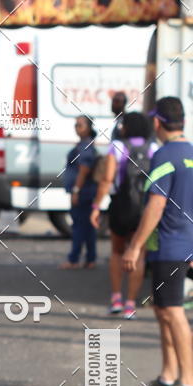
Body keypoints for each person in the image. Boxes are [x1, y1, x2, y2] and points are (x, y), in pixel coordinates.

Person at [123, 96, 193, 386]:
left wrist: (135, 246)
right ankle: (168, 376)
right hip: (182, 243)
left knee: (173, 311)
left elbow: (156, 204)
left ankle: (187, 382)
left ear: (156, 122)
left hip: (168, 244)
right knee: (163, 309)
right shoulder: (190, 153)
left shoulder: (164, 154)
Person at [91, 111, 158, 318]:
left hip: (120, 207)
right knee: (138, 255)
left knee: (117, 252)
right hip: (144, 209)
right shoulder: (153, 148)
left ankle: (116, 299)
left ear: (127, 127)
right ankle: (130, 305)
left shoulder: (117, 146)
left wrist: (96, 206)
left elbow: (107, 179)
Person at [60, 115, 98, 270]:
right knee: (88, 227)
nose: (77, 128)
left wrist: (76, 190)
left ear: (89, 128)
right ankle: (90, 259)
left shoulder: (85, 146)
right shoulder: (85, 145)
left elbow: (84, 170)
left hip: (83, 192)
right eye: (76, 125)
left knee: (79, 226)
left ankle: (74, 259)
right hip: (87, 191)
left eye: (80, 125)